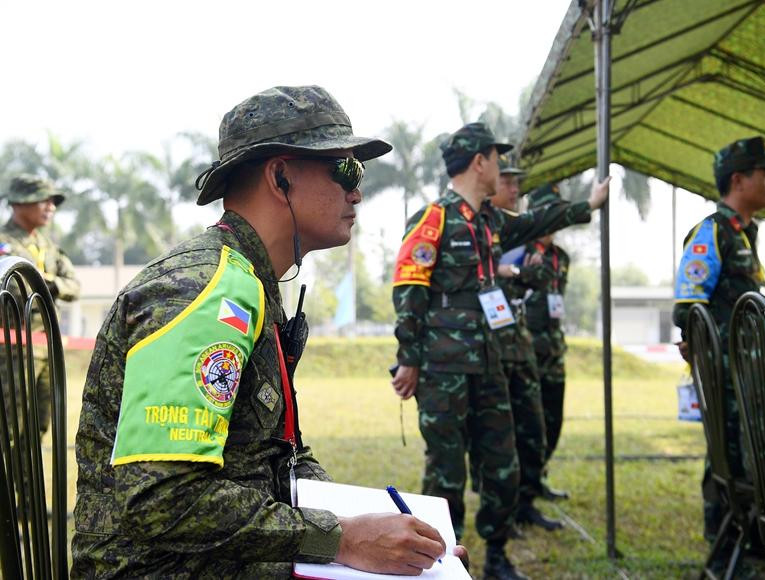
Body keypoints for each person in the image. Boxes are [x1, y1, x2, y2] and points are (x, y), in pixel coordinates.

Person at [72, 85, 461, 578]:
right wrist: (342, 538)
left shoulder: (249, 280)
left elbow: (278, 453)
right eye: (345, 169)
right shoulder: (204, 290)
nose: (357, 192)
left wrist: (393, 539)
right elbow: (161, 497)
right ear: (280, 177)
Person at [391, 121, 609, 580]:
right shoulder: (434, 219)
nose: (501, 168)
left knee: (502, 463)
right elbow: (409, 289)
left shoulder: (489, 220)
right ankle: (441, 563)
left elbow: (533, 223)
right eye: (496, 158)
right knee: (446, 473)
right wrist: (409, 357)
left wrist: (587, 206)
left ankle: (497, 554)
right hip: (444, 370)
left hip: (490, 364)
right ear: (479, 162)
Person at [671, 136, 765, 541]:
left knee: (745, 454)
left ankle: (748, 539)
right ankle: (725, 542)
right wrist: (703, 350)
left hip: (747, 370)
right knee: (727, 456)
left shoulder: (743, 233)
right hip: (725, 371)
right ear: (738, 180)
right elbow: (688, 306)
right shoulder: (712, 232)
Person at [488, 154, 562, 531]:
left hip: (524, 347)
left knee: (535, 431)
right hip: (492, 352)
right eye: (508, 181)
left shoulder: (526, 241)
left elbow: (536, 279)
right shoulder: (486, 233)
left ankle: (525, 502)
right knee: (503, 439)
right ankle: (504, 511)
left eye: (518, 182)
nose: (515, 189)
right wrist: (510, 270)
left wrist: (514, 271)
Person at [0, 174, 80, 437]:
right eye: (43, 200)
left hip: (46, 348)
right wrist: (50, 283)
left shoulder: (48, 246)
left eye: (53, 202)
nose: (51, 207)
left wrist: (48, 283)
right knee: (9, 427)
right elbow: (12, 287)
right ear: (19, 203)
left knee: (40, 425)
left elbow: (74, 286)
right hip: (11, 351)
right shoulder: (3, 242)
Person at [523, 184, 572, 499]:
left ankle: (539, 479)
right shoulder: (519, 250)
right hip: (527, 351)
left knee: (553, 423)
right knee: (531, 427)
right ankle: (525, 490)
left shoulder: (561, 257)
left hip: (554, 351)